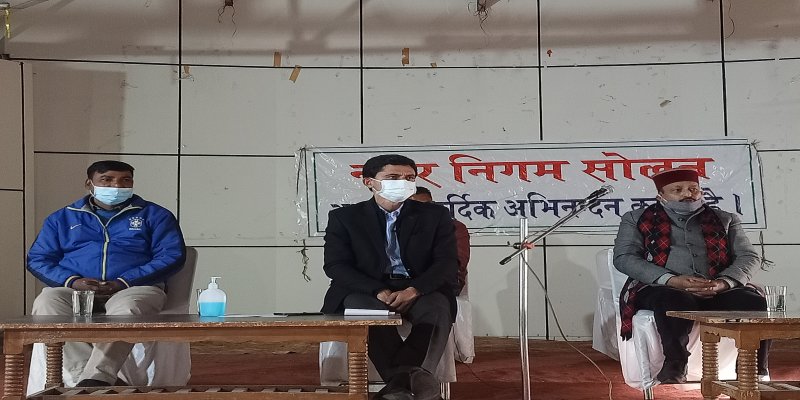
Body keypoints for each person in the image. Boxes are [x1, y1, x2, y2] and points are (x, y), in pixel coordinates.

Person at [27, 160, 186, 387]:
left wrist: (124, 281)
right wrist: (73, 282)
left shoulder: (155, 215)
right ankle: (87, 379)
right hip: (75, 290)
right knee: (46, 303)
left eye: (125, 180)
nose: (117, 186)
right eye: (107, 180)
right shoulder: (62, 218)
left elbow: (172, 256)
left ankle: (98, 378)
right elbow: (38, 259)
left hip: (133, 288)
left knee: (129, 309)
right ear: (89, 184)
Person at [321, 154, 458, 400]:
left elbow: (446, 263)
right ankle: (417, 384)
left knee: (438, 308)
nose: (403, 183)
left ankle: (398, 388)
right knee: (365, 311)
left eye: (410, 178)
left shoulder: (434, 215)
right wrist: (378, 291)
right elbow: (336, 265)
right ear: (369, 182)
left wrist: (414, 290)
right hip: (368, 288)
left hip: (418, 287)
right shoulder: (345, 217)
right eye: (393, 177)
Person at [614, 167, 769, 384]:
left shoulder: (725, 219)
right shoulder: (636, 218)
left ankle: (752, 368)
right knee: (673, 299)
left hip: (716, 287)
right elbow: (624, 257)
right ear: (661, 195)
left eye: (693, 189)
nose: (688, 194)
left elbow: (749, 256)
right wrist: (671, 280)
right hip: (661, 287)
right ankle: (675, 364)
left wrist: (722, 283)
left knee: (754, 302)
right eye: (677, 190)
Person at [410, 186, 470, 296]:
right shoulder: (400, 226)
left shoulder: (454, 227)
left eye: (427, 205)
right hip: (409, 281)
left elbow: (456, 263)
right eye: (415, 207)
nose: (423, 210)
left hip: (444, 281)